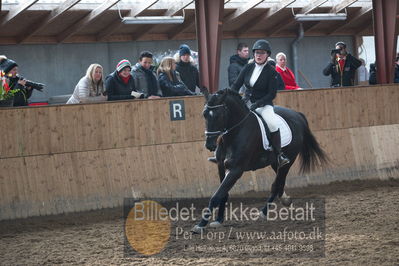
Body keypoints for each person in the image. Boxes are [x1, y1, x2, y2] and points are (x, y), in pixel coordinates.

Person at [231, 39, 289, 168]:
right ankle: (223, 152)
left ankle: (279, 155)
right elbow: (236, 85)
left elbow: (272, 94)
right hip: (246, 103)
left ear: (267, 55)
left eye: (262, 53)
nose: (259, 55)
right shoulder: (248, 67)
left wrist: (258, 104)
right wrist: (228, 94)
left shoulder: (272, 72)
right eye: (257, 52)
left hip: (263, 105)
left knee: (272, 123)